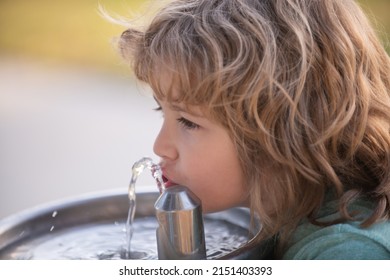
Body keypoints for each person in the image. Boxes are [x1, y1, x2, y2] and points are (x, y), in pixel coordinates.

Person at [118, 0, 390, 259]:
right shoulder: (281, 209)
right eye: (161, 111)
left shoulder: (345, 255)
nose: (160, 146)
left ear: (282, 135)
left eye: (188, 122)